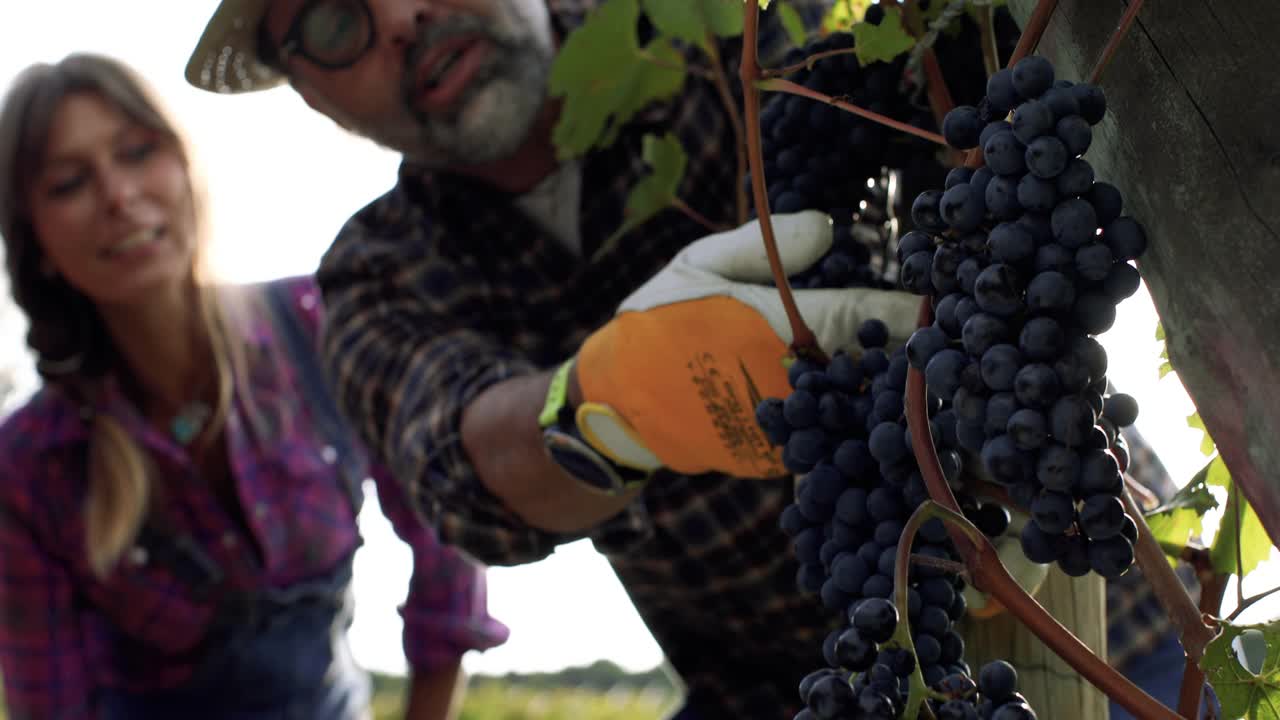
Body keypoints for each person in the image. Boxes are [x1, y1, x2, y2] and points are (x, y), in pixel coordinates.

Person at [187, 1, 926, 717]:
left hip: (1000, 552)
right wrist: (610, 405)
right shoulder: (378, 273)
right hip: (778, 690)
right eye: (334, 21)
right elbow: (464, 469)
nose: (401, 17)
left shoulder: (734, 28)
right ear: (317, 98)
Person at [0, 52, 509, 720]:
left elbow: (444, 542)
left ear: (186, 167)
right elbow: (54, 703)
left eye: (137, 153)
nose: (119, 196)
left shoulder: (319, 325)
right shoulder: (31, 463)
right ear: (34, 238)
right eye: (69, 182)